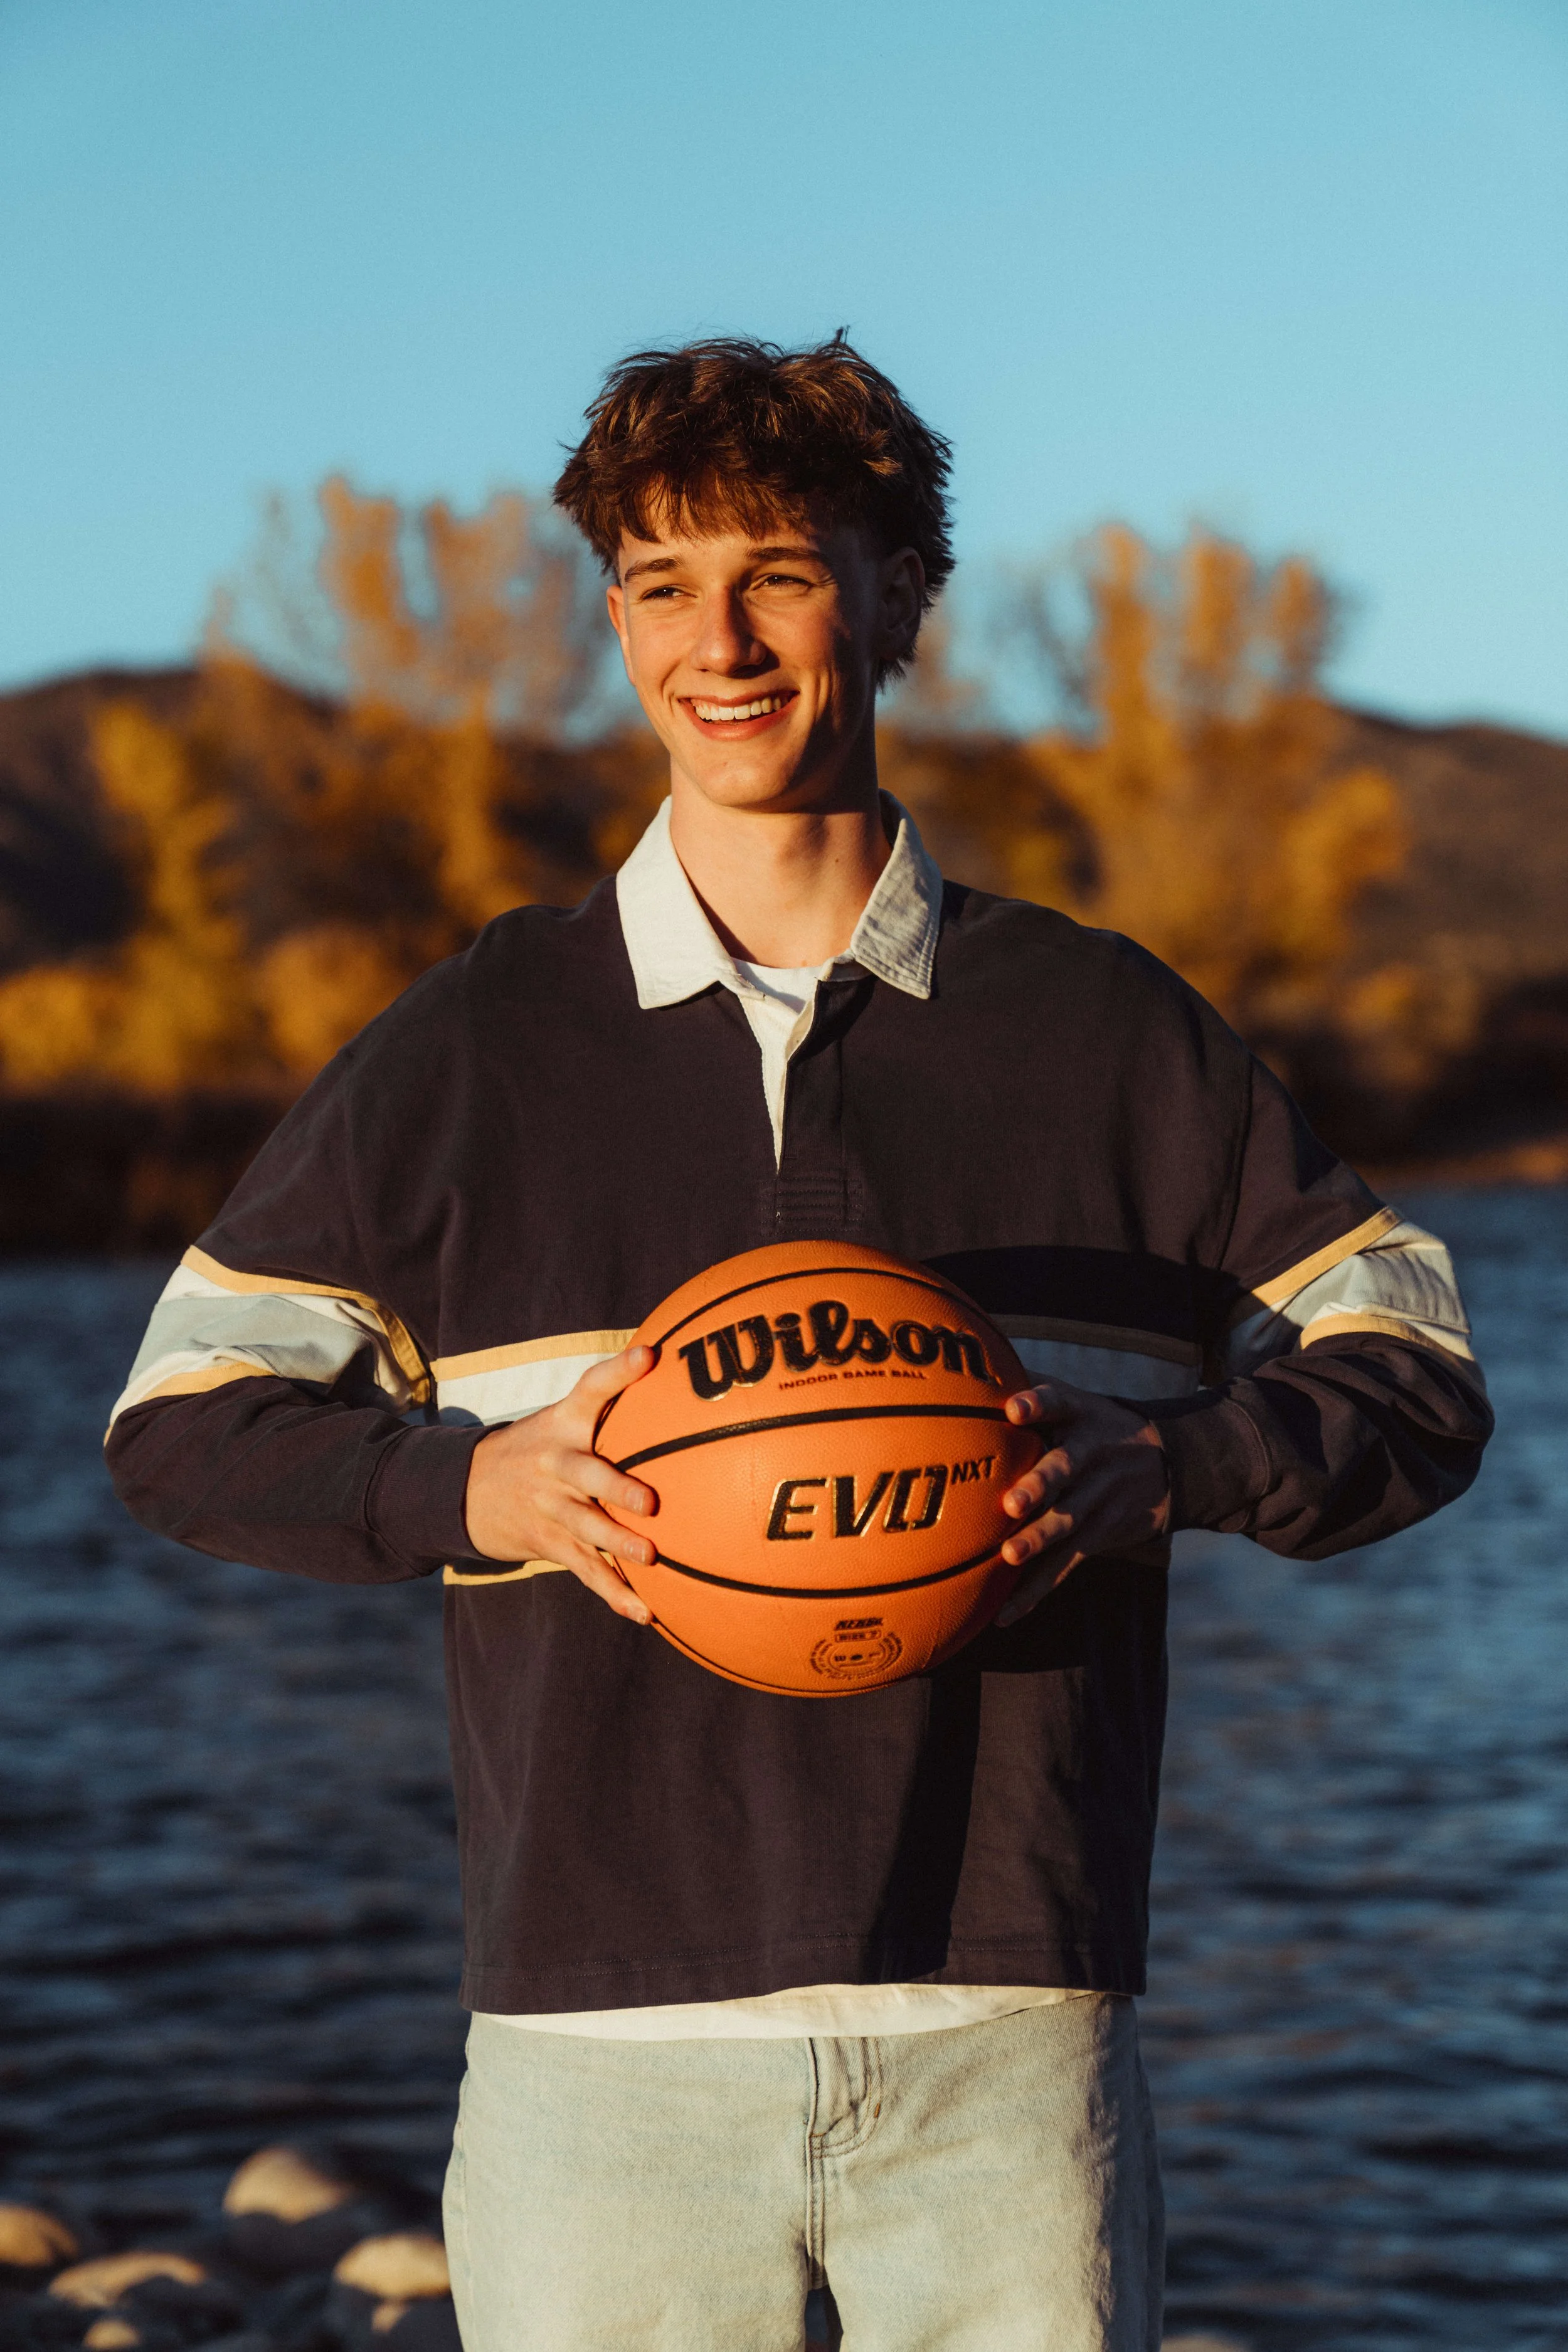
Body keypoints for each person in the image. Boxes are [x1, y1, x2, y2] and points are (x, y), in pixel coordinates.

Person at [107, 335, 1491, 2352]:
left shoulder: (1101, 1030)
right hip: (601, 2038)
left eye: (779, 569)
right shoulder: (474, 1048)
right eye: (661, 583)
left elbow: (1416, 1366)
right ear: (612, 622)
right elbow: (177, 1417)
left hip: (1003, 2025)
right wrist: (459, 1480)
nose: (719, 641)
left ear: (897, 594)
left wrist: (1173, 1460)